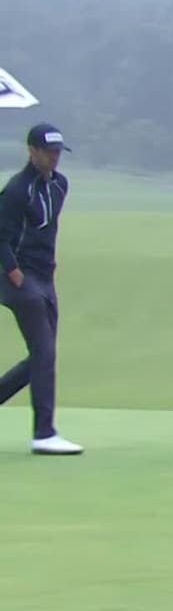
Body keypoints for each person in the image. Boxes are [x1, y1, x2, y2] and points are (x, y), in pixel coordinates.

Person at [0, 124, 82, 455]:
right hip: (19, 278)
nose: (54, 158)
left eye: (58, 152)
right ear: (32, 151)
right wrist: (14, 272)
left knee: (42, 356)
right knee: (45, 353)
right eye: (48, 152)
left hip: (46, 277)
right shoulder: (18, 190)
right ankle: (44, 433)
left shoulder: (60, 185)